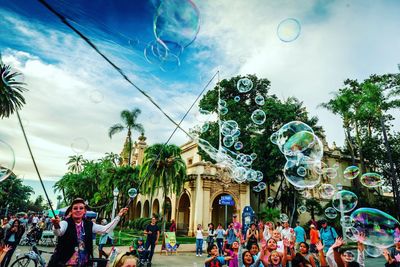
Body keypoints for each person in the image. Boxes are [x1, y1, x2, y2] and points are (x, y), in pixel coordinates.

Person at [48, 198, 128, 267]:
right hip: (64, 264)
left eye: (81, 208)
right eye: (75, 208)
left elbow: (105, 229)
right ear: (71, 211)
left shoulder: (89, 224)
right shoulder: (65, 223)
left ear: (84, 211)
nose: (78, 210)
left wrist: (119, 216)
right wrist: (56, 224)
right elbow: (58, 232)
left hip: (83, 264)